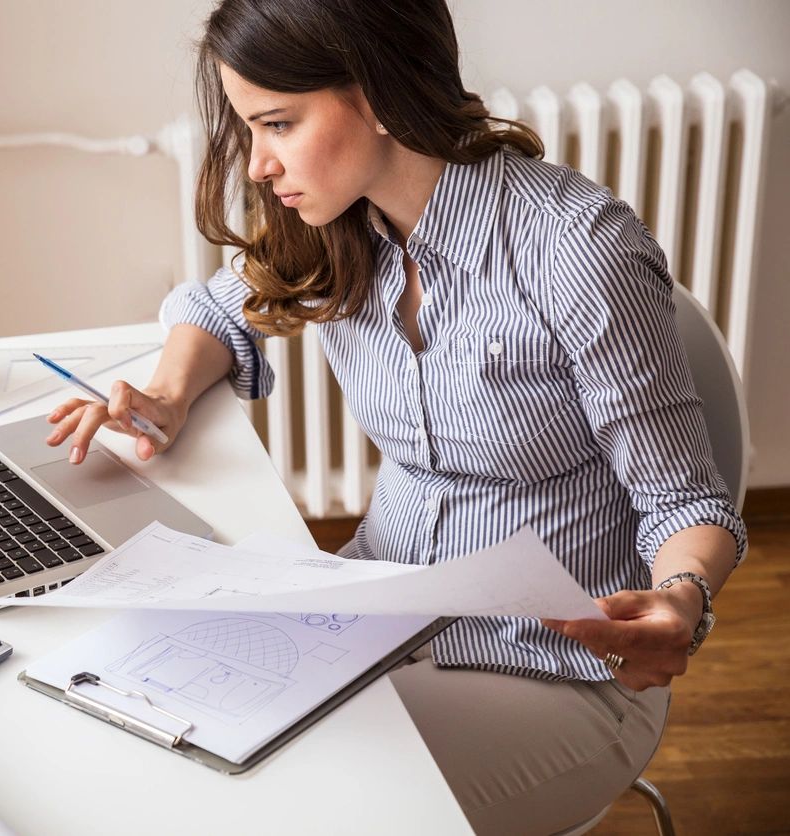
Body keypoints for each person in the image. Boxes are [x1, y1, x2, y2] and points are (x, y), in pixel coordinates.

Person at [44, 1, 746, 832]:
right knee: (134, 723)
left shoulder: (575, 250)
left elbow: (686, 504)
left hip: (555, 670)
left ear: (376, 92)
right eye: (249, 130)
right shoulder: (342, 227)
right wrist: (163, 393)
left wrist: (679, 597)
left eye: (278, 124)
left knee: (280, 805)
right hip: (375, 615)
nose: (260, 165)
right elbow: (218, 307)